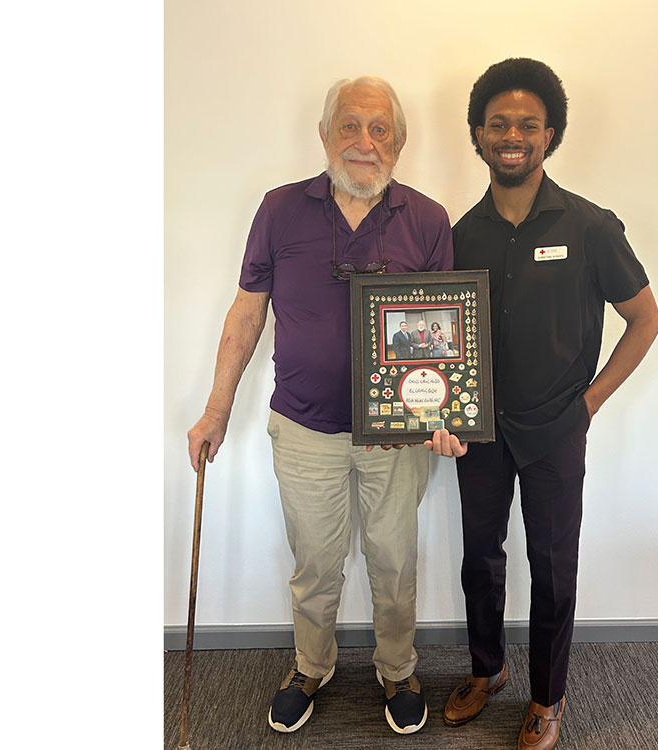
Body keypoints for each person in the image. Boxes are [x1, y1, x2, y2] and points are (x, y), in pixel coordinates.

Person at [187, 75, 453, 736]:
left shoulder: (427, 219)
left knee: (394, 564)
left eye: (380, 128)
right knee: (315, 565)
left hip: (396, 437)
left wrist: (445, 417)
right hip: (304, 427)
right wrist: (216, 410)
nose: (365, 143)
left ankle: (397, 671)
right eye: (351, 126)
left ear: (399, 141)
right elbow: (247, 315)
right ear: (326, 135)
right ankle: (311, 666)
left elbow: (447, 337)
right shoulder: (279, 210)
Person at [426, 58, 658, 750]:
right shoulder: (459, 234)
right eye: (498, 123)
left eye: (527, 124)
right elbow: (440, 337)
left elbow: (645, 319)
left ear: (549, 133)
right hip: (481, 431)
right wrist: (437, 409)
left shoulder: (590, 227)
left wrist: (587, 405)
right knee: (480, 557)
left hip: (559, 427)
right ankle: (486, 670)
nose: (512, 135)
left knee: (554, 564)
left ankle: (548, 696)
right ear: (477, 134)